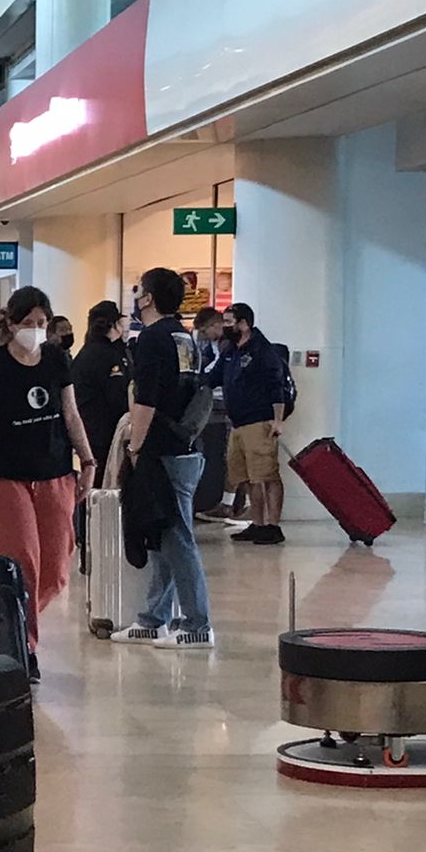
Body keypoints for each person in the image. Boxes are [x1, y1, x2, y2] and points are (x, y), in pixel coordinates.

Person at [0, 287, 97, 681]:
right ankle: (25, 646)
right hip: (6, 477)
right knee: (24, 565)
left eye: (41, 323)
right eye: (28, 323)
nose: (35, 330)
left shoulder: (56, 359)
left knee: (55, 569)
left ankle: (14, 623)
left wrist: (87, 460)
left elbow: (70, 413)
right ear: (11, 324)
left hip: (54, 474)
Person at [110, 268, 215, 649]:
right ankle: (154, 618)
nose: (136, 296)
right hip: (185, 447)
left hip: (163, 451)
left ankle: (197, 624)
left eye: (139, 290)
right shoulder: (183, 336)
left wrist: (134, 446)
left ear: (149, 298)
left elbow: (146, 398)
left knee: (176, 536)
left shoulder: (153, 338)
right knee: (163, 535)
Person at [220, 302, 288, 545]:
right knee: (246, 476)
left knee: (266, 475)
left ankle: (272, 525)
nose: (225, 326)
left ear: (244, 324)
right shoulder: (230, 350)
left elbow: (276, 387)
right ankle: (257, 523)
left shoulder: (263, 351)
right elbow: (214, 376)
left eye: (229, 322)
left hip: (260, 422)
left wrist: (278, 420)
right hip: (237, 424)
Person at [71, 300, 132, 475]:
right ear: (113, 325)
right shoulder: (108, 357)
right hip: (106, 435)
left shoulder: (85, 353)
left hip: (89, 432)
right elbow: (119, 396)